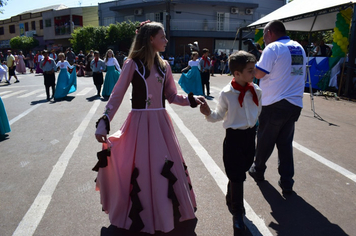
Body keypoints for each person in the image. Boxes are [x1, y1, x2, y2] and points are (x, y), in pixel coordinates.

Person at [94, 21, 205, 235]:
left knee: (161, 168)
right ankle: (146, 216)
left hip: (160, 124)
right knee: (143, 169)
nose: (166, 40)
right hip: (139, 123)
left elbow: (171, 96)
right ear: (150, 39)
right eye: (162, 37)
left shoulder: (165, 66)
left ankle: (164, 215)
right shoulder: (132, 64)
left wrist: (191, 99)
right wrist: (104, 120)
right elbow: (116, 95)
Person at [200, 51, 261, 235]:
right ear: (237, 73)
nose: (254, 73)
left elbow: (259, 112)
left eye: (254, 69)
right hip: (234, 138)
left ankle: (231, 192)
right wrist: (208, 113)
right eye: (250, 70)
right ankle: (237, 213)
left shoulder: (256, 91)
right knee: (237, 176)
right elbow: (218, 115)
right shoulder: (227, 93)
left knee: (242, 169)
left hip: (250, 137)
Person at [248, 20, 306, 194]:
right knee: (285, 144)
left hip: (274, 103)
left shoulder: (272, 49)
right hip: (294, 103)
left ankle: (258, 170)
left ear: (271, 32)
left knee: (265, 140)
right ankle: (287, 181)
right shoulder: (298, 47)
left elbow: (258, 73)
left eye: (265, 34)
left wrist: (251, 63)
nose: (264, 38)